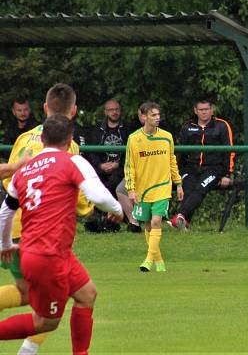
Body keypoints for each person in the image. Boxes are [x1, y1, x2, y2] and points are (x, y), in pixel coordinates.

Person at [0, 115, 123, 354]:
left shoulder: (23, 171)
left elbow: (5, 212)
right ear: (69, 140)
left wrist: (4, 244)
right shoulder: (72, 161)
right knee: (45, 322)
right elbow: (98, 197)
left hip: (48, 251)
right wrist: (118, 210)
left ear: (43, 139)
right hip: (49, 255)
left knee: (87, 294)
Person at [0, 83, 94, 354]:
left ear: (43, 108)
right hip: (40, 232)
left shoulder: (26, 138)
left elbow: (12, 182)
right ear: (74, 111)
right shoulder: (69, 146)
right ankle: (28, 351)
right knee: (52, 300)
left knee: (31, 294)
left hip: (15, 224)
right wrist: (88, 209)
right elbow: (76, 196)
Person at [125, 102, 183, 272]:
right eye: (153, 115)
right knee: (148, 225)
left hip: (163, 187)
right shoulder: (134, 139)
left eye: (158, 115)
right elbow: (130, 166)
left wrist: (178, 183)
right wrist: (131, 188)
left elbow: (172, 160)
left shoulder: (167, 137)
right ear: (143, 117)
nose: (157, 118)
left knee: (157, 221)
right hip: (143, 189)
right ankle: (159, 261)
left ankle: (148, 260)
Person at [168, 100, 235, 230]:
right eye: (201, 110)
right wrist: (176, 172)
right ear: (195, 111)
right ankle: (184, 222)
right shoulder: (187, 126)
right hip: (191, 168)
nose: (204, 112)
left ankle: (180, 216)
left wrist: (227, 174)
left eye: (206, 109)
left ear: (212, 110)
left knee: (201, 187)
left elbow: (229, 150)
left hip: (214, 169)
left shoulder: (222, 125)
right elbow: (179, 152)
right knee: (188, 187)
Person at [84, 100, 133, 233]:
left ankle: (105, 218)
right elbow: (92, 151)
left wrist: (118, 163)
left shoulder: (127, 129)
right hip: (101, 168)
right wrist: (100, 165)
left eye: (117, 109)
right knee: (95, 183)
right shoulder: (97, 130)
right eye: (111, 110)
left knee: (112, 184)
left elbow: (131, 151)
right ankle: (100, 218)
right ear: (105, 112)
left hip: (121, 168)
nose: (114, 112)